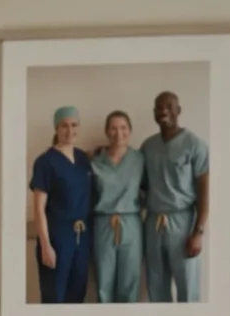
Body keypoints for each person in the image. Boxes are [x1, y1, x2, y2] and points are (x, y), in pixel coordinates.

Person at [141, 91, 209, 304]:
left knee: (187, 286)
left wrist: (198, 232)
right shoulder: (148, 146)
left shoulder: (194, 144)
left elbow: (205, 190)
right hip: (153, 223)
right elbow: (139, 184)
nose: (164, 111)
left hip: (183, 222)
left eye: (169, 106)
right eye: (159, 107)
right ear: (154, 113)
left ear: (178, 110)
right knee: (156, 285)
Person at [30, 106, 93, 304]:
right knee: (54, 295)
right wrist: (46, 246)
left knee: (78, 293)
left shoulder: (83, 159)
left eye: (74, 125)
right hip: (57, 236)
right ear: (56, 128)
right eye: (64, 125)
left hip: (82, 236)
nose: (69, 130)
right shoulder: (45, 162)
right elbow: (39, 209)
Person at [90, 111, 145, 302]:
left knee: (130, 281)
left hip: (131, 224)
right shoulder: (95, 161)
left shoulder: (140, 159)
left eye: (123, 128)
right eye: (113, 128)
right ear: (106, 131)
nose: (118, 132)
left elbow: (149, 189)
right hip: (103, 224)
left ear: (130, 131)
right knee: (104, 281)